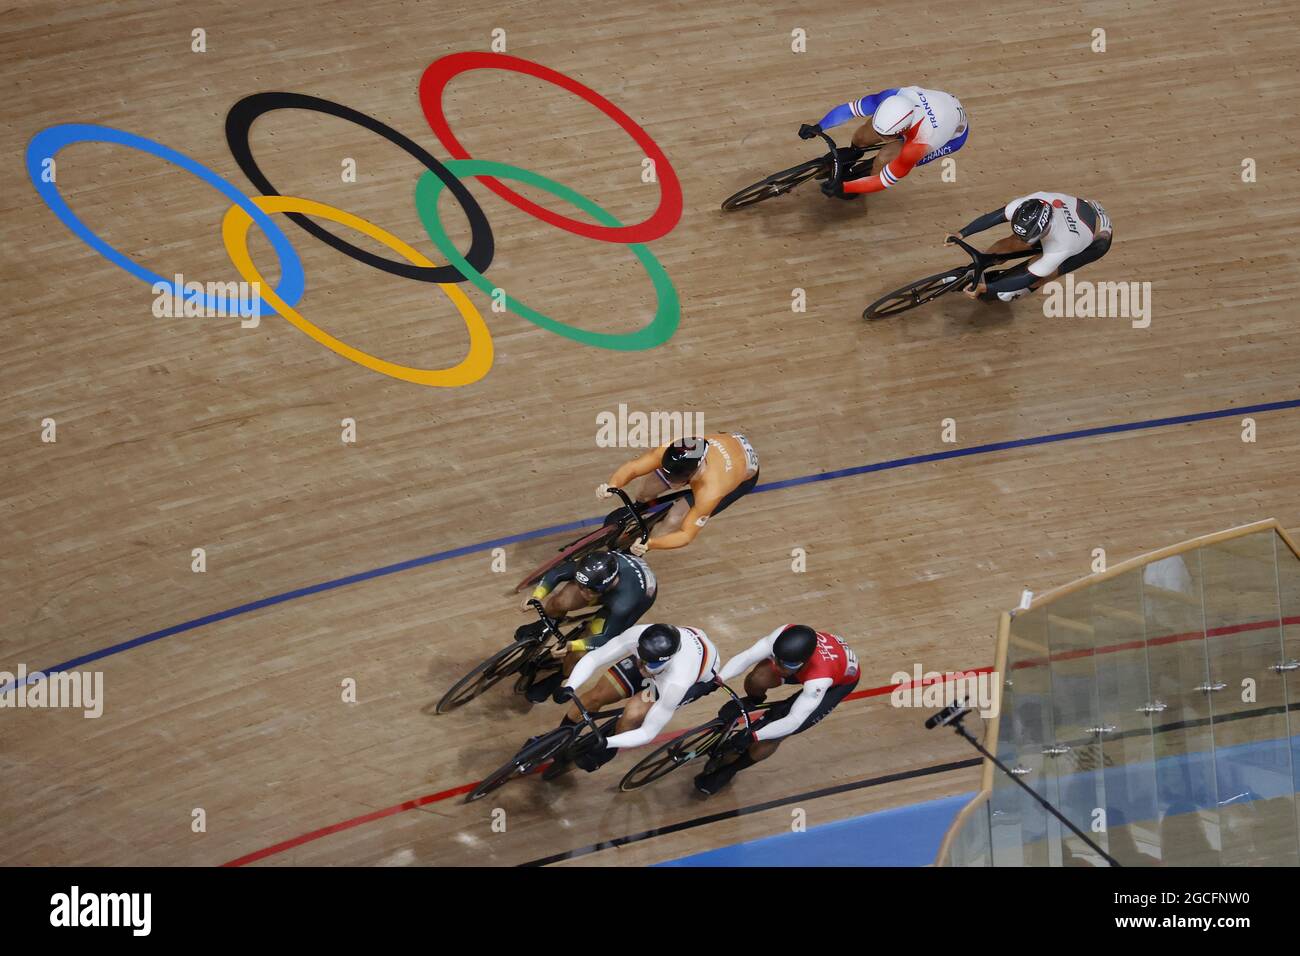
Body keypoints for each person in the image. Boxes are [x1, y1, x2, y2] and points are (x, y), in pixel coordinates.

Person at [694, 624, 860, 795]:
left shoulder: (819, 680)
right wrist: (717, 680)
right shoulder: (782, 635)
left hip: (837, 682)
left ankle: (729, 770)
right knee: (758, 678)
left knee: (774, 735)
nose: (779, 668)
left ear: (803, 662)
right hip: (808, 664)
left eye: (785, 664)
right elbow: (747, 656)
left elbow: (794, 720)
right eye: (777, 659)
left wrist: (753, 735)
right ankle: (754, 700)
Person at [551, 622, 720, 773]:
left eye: (649, 664)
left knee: (632, 714)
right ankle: (557, 740)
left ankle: (603, 754)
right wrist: (570, 685)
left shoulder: (677, 682)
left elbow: (647, 732)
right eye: (640, 658)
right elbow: (596, 657)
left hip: (695, 678)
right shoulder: (638, 635)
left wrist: (607, 743)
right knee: (595, 696)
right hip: (669, 658)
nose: (642, 666)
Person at [516, 549, 657, 703]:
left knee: (580, 652)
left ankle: (559, 677)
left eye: (590, 590)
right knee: (560, 601)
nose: (583, 593)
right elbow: (556, 573)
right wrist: (537, 596)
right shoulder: (590, 567)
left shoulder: (624, 602)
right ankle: (546, 624)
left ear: (608, 585)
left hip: (637, 599)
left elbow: (605, 638)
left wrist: (571, 645)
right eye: (581, 586)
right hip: (609, 582)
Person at [599, 433, 759, 554]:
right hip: (722, 450)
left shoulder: (711, 490)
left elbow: (686, 535)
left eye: (675, 479)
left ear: (692, 473)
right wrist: (612, 485)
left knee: (674, 518)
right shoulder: (672, 449)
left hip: (738, 477)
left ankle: (641, 547)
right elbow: (633, 468)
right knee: (645, 490)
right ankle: (640, 508)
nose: (672, 485)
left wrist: (650, 543)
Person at [798, 86, 968, 196]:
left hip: (950, 136)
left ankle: (866, 173)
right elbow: (849, 110)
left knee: (885, 158)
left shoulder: (920, 143)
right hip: (935, 105)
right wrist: (819, 126)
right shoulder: (892, 97)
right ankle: (853, 156)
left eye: (884, 136)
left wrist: (845, 188)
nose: (880, 137)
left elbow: (883, 181)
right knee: (862, 136)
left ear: (901, 131)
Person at [947, 192, 1113, 301]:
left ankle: (1015, 292)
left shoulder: (1063, 244)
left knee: (1042, 275)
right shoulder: (1030, 203)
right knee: (1014, 242)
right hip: (1076, 209)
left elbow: (1029, 276)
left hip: (1094, 241)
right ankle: (975, 269)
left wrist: (988, 288)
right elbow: (997, 216)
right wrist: (962, 233)